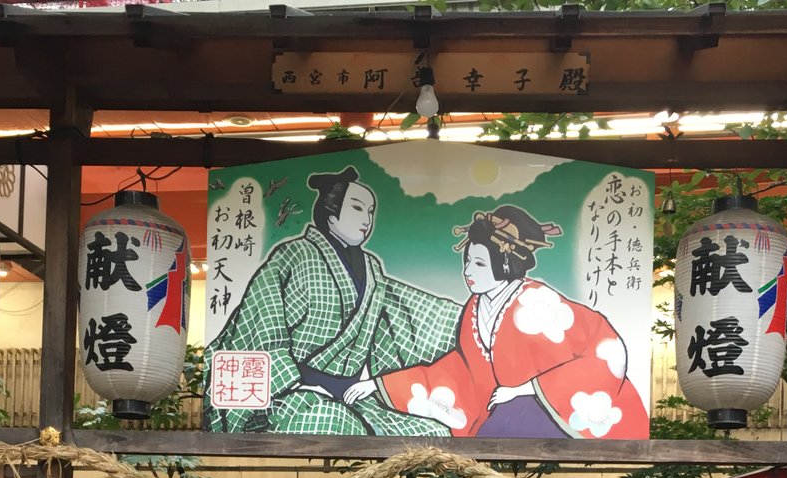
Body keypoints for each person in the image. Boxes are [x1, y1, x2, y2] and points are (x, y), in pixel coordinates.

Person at [342, 205, 644, 438]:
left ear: (505, 263)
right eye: (467, 261)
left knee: (500, 428)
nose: (468, 271)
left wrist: (527, 389)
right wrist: (382, 384)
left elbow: (603, 348)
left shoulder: (538, 302)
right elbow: (461, 372)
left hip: (554, 411)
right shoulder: (474, 308)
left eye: (479, 263)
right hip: (504, 409)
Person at [204, 166, 461, 436]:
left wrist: (471, 317)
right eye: (357, 209)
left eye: (370, 211)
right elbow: (262, 325)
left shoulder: (371, 269)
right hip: (290, 396)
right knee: (336, 423)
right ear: (331, 211)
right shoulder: (294, 255)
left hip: (350, 396)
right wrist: (295, 383)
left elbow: (406, 309)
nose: (367, 219)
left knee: (433, 432)